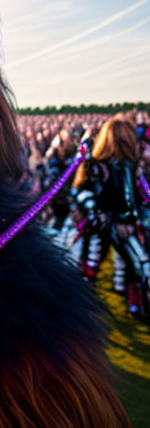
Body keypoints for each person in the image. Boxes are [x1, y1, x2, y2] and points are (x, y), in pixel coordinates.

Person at [74, 115, 149, 317]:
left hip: (125, 222)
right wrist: (95, 213)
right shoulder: (97, 166)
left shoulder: (131, 167)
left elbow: (140, 194)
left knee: (137, 265)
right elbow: (82, 190)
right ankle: (81, 303)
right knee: (91, 264)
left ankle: (136, 303)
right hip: (102, 224)